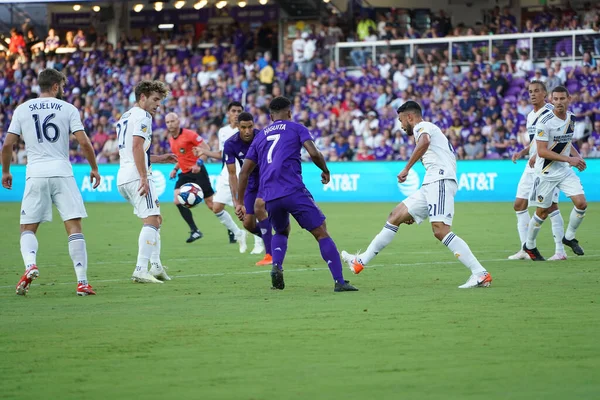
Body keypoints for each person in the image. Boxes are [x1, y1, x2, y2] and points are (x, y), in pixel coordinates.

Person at [341, 101, 492, 289]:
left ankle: (480, 273)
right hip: (430, 183)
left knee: (440, 230)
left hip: (440, 180)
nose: (401, 125)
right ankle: (360, 261)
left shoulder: (423, 127)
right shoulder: (428, 130)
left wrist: (406, 168)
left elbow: (425, 142)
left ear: (410, 117)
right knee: (395, 216)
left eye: (401, 120)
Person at [238, 96, 358, 292]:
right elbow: (314, 152)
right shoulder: (296, 128)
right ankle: (339, 281)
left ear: (270, 116)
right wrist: (325, 170)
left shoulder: (260, 136)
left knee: (281, 231)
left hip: (270, 195)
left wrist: (239, 201)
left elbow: (244, 171)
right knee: (320, 231)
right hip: (293, 189)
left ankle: (277, 265)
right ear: (289, 113)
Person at [1, 68, 100, 296]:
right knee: (74, 227)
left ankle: (31, 265)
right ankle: (82, 282)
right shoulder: (68, 109)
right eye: (62, 86)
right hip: (62, 172)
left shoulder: (22, 109)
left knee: (27, 228)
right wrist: (94, 168)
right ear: (55, 86)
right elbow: (84, 143)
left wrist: (6, 171)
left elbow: (7, 145)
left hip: (35, 173)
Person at [116, 81, 177, 283]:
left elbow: (134, 150)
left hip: (123, 175)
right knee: (152, 220)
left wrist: (159, 158)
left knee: (155, 220)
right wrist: (144, 176)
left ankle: (156, 266)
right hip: (136, 175)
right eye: (155, 99)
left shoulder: (125, 116)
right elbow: (136, 147)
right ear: (142, 96)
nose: (158, 104)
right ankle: (141, 269)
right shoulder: (143, 116)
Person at [523, 86, 587, 261]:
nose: (559, 102)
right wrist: (570, 160)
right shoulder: (545, 121)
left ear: (569, 99)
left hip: (564, 171)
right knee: (542, 213)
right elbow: (542, 152)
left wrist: (578, 157)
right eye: (556, 99)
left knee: (581, 203)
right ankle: (529, 245)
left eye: (562, 99)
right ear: (551, 100)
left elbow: (566, 141)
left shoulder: (572, 118)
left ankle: (569, 237)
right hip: (545, 172)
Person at [510, 81, 566, 261]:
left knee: (549, 206)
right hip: (531, 164)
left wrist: (538, 154)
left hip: (548, 164)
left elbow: (558, 138)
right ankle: (525, 249)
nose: (532, 94)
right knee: (519, 204)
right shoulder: (529, 115)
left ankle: (560, 251)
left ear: (545, 94)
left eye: (536, 91)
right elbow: (536, 140)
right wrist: (524, 151)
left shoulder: (551, 111)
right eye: (530, 92)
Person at [194, 101, 248, 252]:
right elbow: (221, 154)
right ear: (228, 114)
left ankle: (259, 242)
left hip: (242, 173)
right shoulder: (223, 131)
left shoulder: (246, 131)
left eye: (239, 111)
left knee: (248, 209)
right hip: (226, 173)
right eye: (233, 111)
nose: (236, 113)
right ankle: (238, 233)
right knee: (216, 207)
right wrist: (204, 152)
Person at [166, 112, 225, 244]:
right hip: (185, 173)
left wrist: (198, 163)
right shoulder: (171, 139)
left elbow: (206, 148)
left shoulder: (189, 134)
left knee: (212, 204)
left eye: (172, 121)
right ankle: (195, 230)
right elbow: (181, 157)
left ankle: (230, 228)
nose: (170, 124)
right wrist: (175, 169)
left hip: (198, 171)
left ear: (178, 121)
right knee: (177, 200)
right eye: (168, 122)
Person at [224, 112, 272, 266]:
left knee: (260, 208)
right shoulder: (230, 144)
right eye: (243, 127)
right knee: (248, 224)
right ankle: (272, 238)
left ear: (254, 125)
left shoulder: (262, 137)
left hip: (267, 180)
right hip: (250, 183)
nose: (247, 131)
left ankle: (270, 254)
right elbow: (232, 174)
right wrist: (237, 202)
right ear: (237, 126)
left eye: (250, 127)